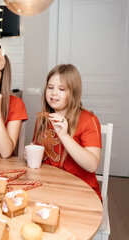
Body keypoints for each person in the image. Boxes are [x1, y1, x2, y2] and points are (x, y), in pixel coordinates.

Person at [32, 64, 102, 199]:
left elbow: (92, 165)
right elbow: (43, 155)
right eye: (50, 87)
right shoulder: (43, 119)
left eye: (61, 89)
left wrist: (64, 135)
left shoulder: (88, 119)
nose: (53, 93)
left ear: (73, 92)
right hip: (49, 187)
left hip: (81, 190)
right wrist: (31, 153)